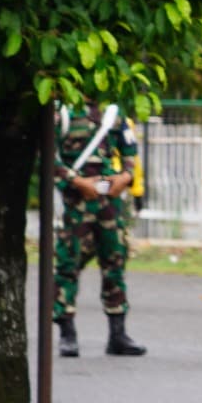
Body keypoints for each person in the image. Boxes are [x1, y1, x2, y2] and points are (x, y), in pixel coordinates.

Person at [51, 104, 144, 359]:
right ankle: (67, 333)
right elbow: (49, 155)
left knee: (114, 262)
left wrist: (125, 176)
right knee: (68, 263)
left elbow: (129, 149)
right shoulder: (65, 111)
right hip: (76, 200)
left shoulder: (113, 112)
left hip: (108, 199)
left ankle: (118, 334)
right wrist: (75, 180)